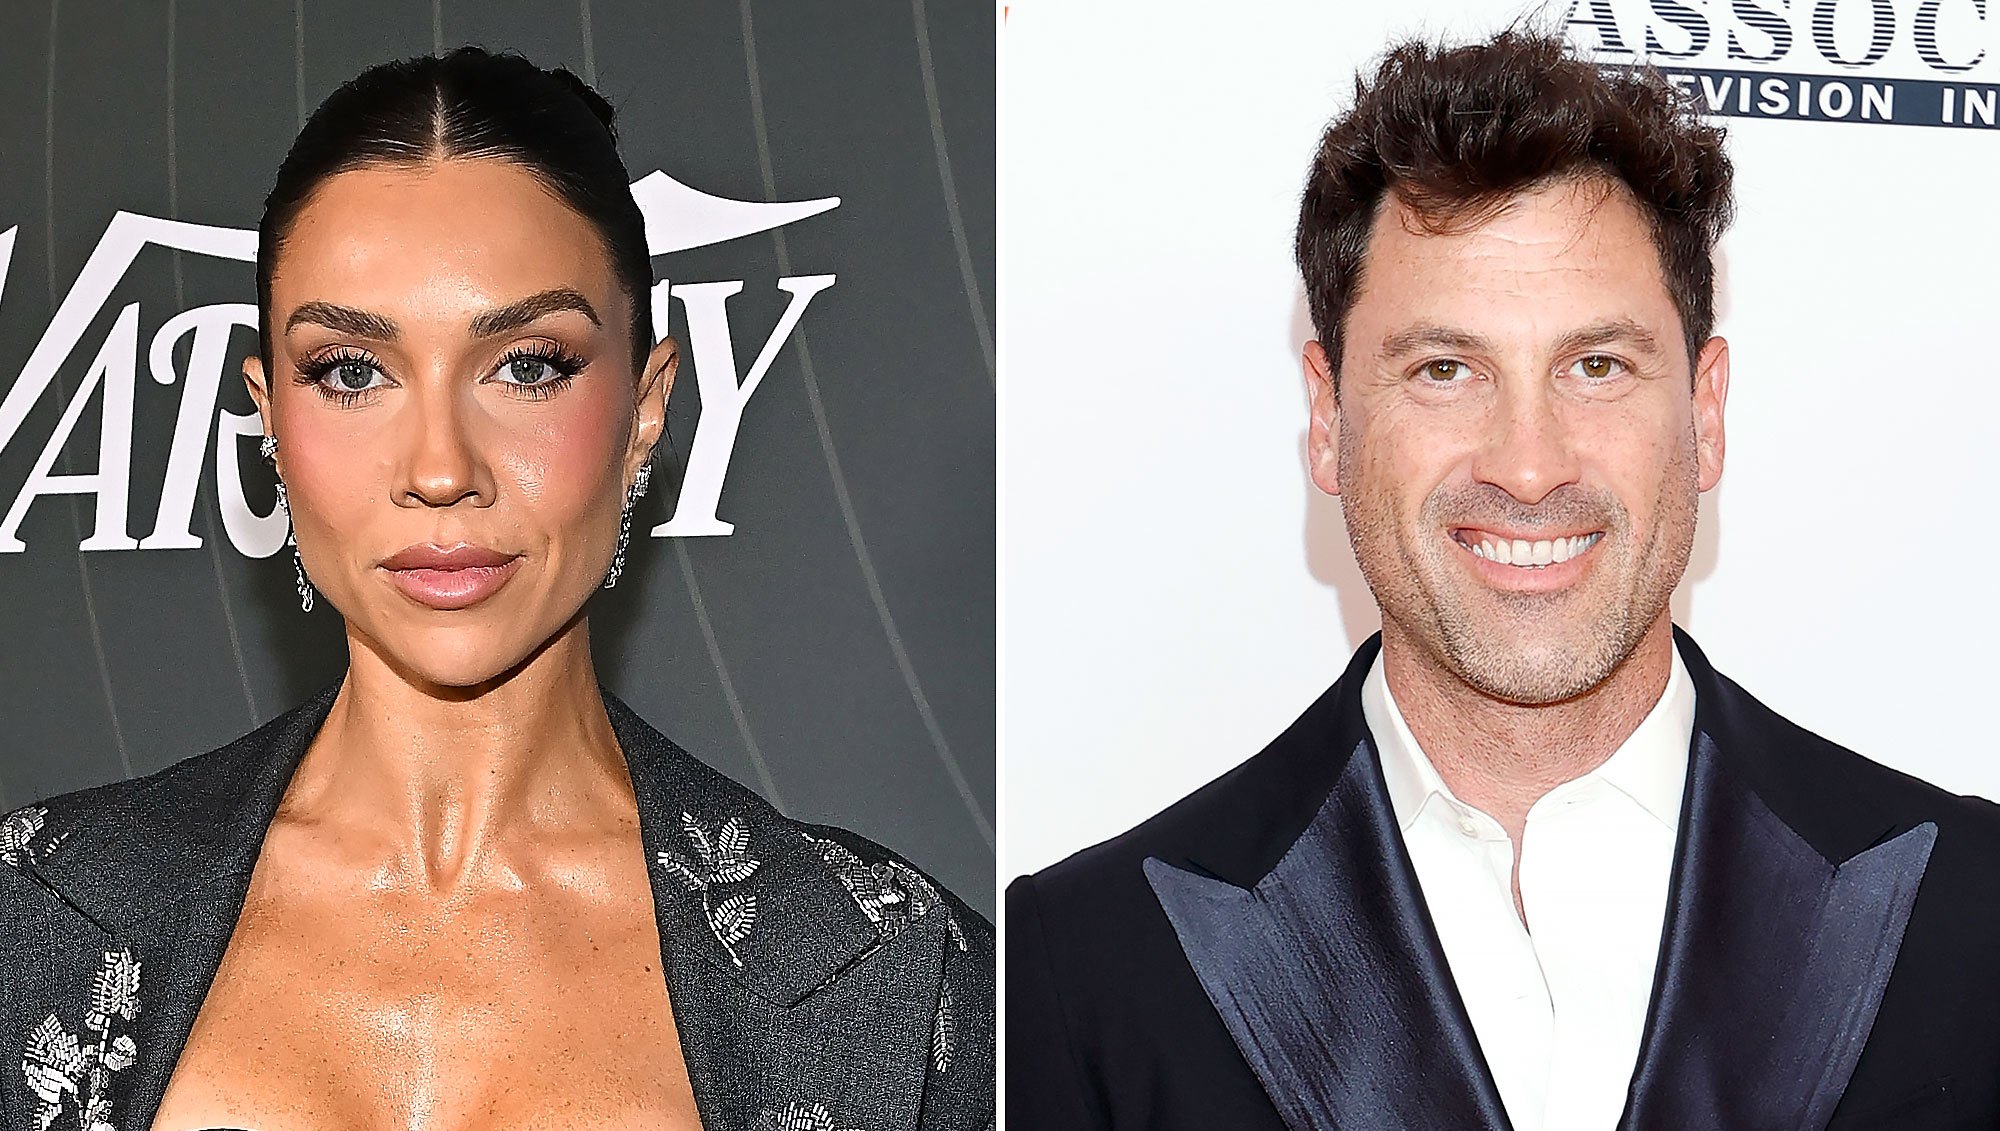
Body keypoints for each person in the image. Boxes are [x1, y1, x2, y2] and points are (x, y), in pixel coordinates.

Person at [1006, 28, 2000, 1131]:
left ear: (1704, 413)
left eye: (1596, 366)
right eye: (1445, 369)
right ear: (1328, 419)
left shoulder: (1974, 912)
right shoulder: (1085, 967)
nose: (1528, 465)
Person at [0, 48, 991, 1131]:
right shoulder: (31, 922)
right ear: (269, 416)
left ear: (647, 408)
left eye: (527, 365)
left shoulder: (900, 978)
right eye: (350, 371)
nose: (440, 468)